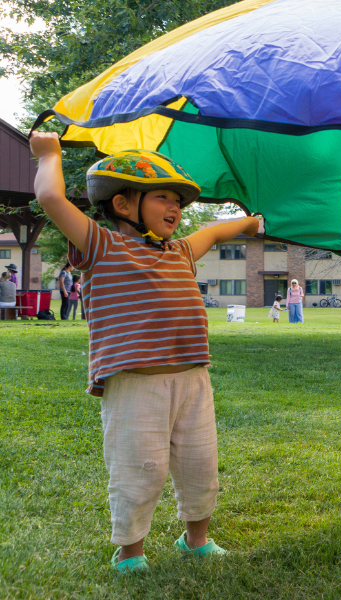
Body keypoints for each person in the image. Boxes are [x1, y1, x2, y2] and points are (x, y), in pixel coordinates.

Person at [30, 131, 263, 572]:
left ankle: (195, 539)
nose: (175, 207)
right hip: (135, 383)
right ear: (123, 204)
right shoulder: (101, 245)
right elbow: (50, 197)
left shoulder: (180, 252)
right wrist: (49, 154)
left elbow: (214, 232)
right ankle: (131, 552)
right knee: (141, 468)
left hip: (193, 378)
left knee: (200, 464)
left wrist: (249, 225)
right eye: (163, 197)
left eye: (178, 200)